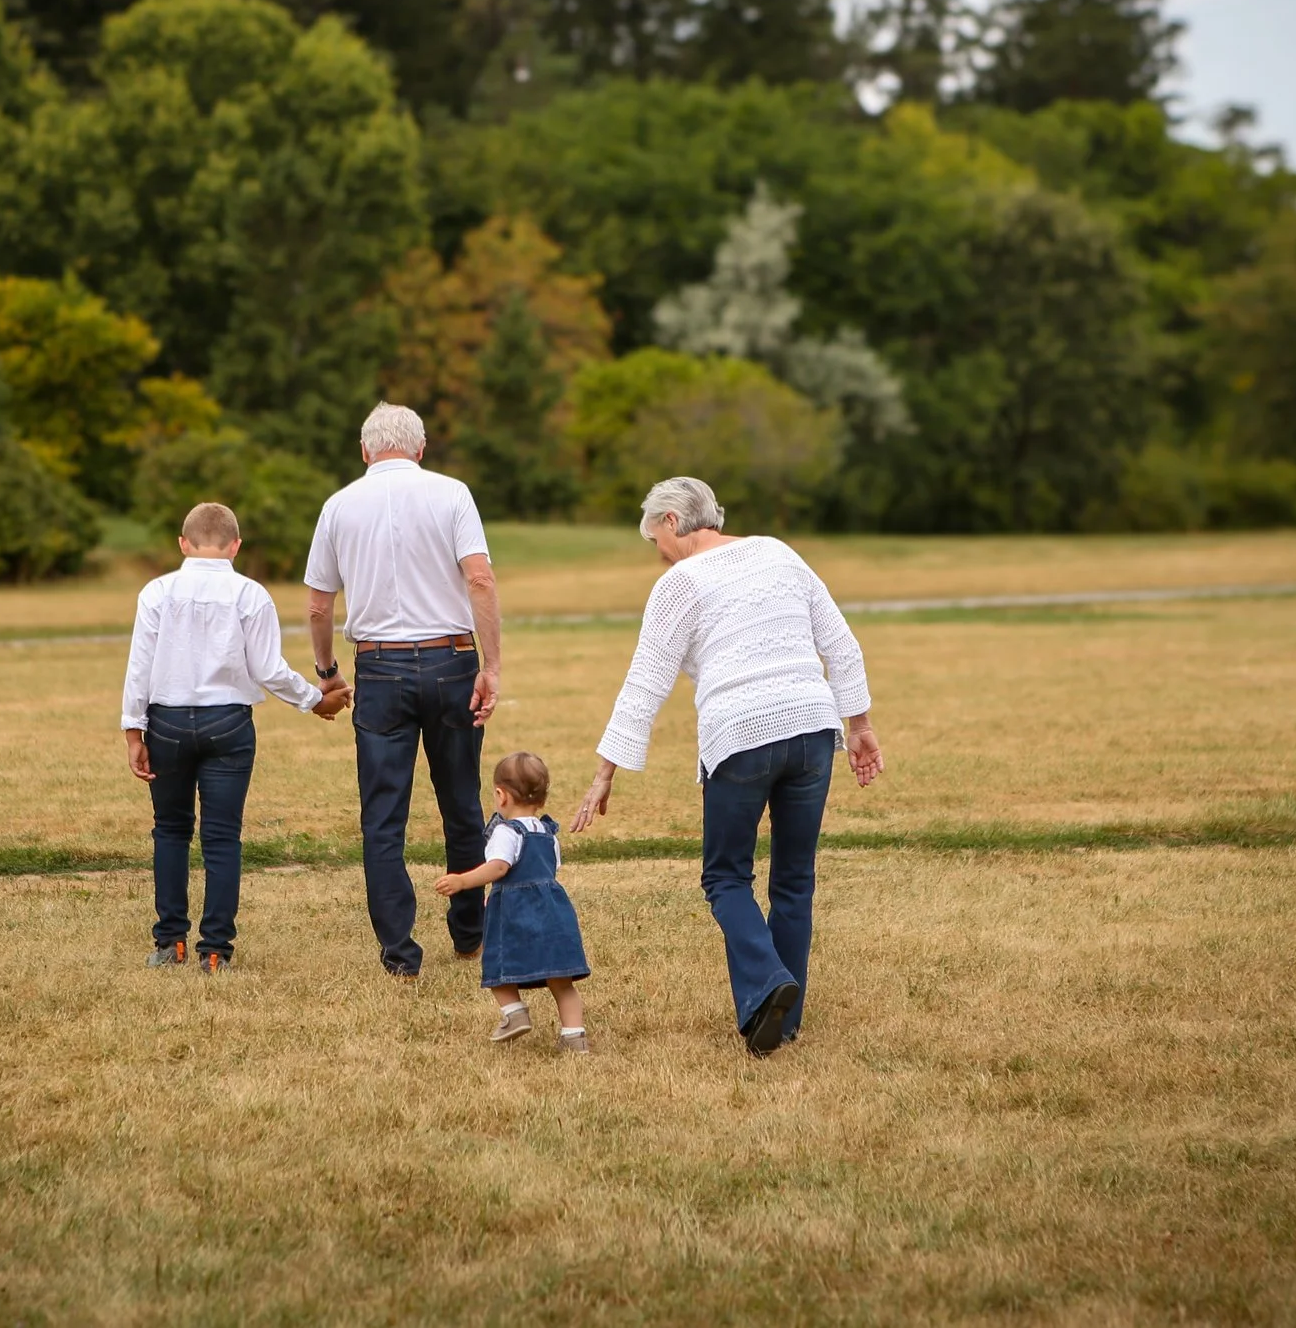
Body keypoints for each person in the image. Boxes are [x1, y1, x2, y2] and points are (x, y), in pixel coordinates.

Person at [571, 476, 883, 1057]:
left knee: (725, 877)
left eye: (653, 539)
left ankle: (769, 985)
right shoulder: (778, 551)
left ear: (670, 522)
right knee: (794, 879)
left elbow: (645, 684)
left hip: (741, 736)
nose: (656, 554)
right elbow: (842, 645)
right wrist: (859, 727)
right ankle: (782, 1023)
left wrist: (604, 774)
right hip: (815, 732)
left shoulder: (679, 583)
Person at [304, 401, 501, 978]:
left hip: (380, 669)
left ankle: (400, 951)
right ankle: (470, 934)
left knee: (383, 815)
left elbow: (319, 602)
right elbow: (481, 578)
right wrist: (492, 665)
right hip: (452, 660)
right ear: (420, 447)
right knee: (461, 801)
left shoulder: (338, 505)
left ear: (365, 451)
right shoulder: (452, 493)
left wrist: (326, 671)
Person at [123, 501, 347, 972]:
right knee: (223, 837)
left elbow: (139, 666)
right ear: (236, 546)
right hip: (228, 721)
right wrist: (315, 699)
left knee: (170, 829)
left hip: (166, 720)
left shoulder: (156, 592)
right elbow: (267, 668)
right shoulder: (250, 594)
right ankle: (215, 950)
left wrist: (133, 730)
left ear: (183, 543)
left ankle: (170, 942)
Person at [434, 751, 591, 1053]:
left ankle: (514, 1013)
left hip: (517, 912)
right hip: (555, 911)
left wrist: (463, 881)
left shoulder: (506, 832)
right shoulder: (548, 833)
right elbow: (549, 870)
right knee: (561, 980)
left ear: (500, 795)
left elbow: (499, 867)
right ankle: (575, 1036)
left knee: (499, 968)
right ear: (543, 798)